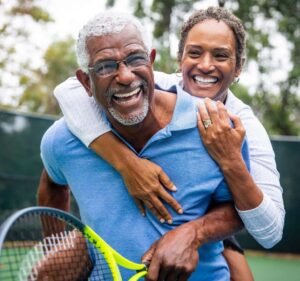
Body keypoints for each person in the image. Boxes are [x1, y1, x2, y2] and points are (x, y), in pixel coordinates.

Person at [52, 6, 284, 280]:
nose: (206, 65)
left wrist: (229, 160)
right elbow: (68, 90)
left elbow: (269, 232)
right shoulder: (148, 83)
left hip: (217, 215)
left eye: (220, 55)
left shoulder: (244, 126)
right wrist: (128, 165)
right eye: (195, 53)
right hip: (157, 218)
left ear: (238, 67)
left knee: (240, 272)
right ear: (180, 58)